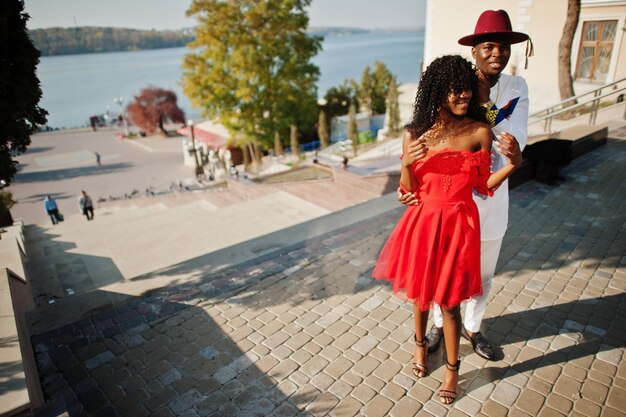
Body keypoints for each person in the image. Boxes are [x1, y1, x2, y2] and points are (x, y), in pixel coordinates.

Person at [373, 55, 521, 404]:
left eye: (466, 91)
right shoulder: (415, 133)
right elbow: (409, 189)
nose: (463, 97)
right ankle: (421, 349)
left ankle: (452, 372)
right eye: (455, 91)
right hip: (423, 223)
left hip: (458, 226)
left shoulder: (479, 131)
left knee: (450, 303)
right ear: (438, 91)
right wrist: (407, 164)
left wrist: (514, 164)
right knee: (420, 295)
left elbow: (483, 187)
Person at [398, 9, 530, 361]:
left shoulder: (516, 87)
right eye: (489, 46)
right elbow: (441, 131)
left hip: (490, 195)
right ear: (475, 50)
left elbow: (513, 135)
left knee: (484, 271)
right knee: (441, 274)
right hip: (452, 202)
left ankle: (473, 328)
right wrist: (411, 175)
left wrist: (486, 103)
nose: (497, 53)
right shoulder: (459, 82)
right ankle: (442, 324)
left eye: (503, 47)